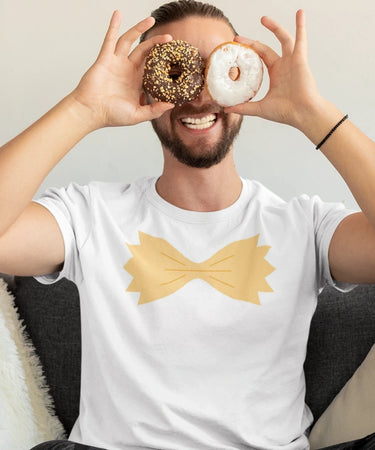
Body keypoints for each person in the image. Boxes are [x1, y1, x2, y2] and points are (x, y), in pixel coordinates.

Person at [1, 0, 375, 449]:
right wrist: (84, 109)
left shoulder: (305, 225)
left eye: (216, 68)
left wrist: (312, 113)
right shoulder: (89, 214)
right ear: (144, 89)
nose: (198, 94)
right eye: (181, 72)